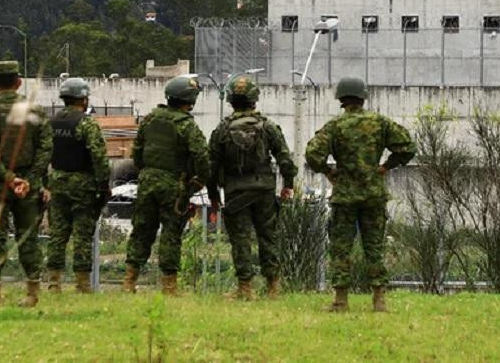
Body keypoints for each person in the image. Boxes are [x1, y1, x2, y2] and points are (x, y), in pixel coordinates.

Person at [305, 77, 416, 313]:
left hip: (345, 196)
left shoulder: (335, 126)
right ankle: (379, 300)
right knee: (374, 247)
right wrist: (386, 166)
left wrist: (328, 171)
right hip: (373, 194)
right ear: (363, 97)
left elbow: (313, 154)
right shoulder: (380, 123)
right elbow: (407, 147)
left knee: (341, 248)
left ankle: (341, 301)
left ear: (341, 99)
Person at [208, 75, 297, 300]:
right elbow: (285, 159)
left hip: (235, 192)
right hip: (264, 190)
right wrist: (288, 185)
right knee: (269, 237)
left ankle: (245, 288)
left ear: (230, 100)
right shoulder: (268, 126)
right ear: (254, 100)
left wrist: (213, 196)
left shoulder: (222, 129)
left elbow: (211, 165)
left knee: (241, 239)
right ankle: (273, 287)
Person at [123, 75, 210, 295]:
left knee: (141, 230)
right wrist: (200, 179)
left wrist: (147, 172)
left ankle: (128, 281)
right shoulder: (186, 125)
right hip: (173, 184)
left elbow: (137, 153)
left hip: (147, 181)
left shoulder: (150, 119)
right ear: (189, 100)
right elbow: (201, 155)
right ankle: (169, 287)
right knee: (171, 232)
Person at [0, 60, 53, 307]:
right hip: (28, 186)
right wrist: (30, 179)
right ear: (19, 82)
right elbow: (46, 147)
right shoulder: (34, 110)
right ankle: (32, 293)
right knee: (28, 238)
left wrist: (8, 178)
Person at [45, 78, 110, 294]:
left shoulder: (51, 123)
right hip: (83, 185)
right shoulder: (86, 123)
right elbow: (98, 156)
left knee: (57, 234)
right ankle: (82, 284)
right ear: (83, 99)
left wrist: (47, 182)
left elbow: (42, 155)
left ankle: (54, 283)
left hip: (58, 182)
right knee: (82, 234)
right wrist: (103, 185)